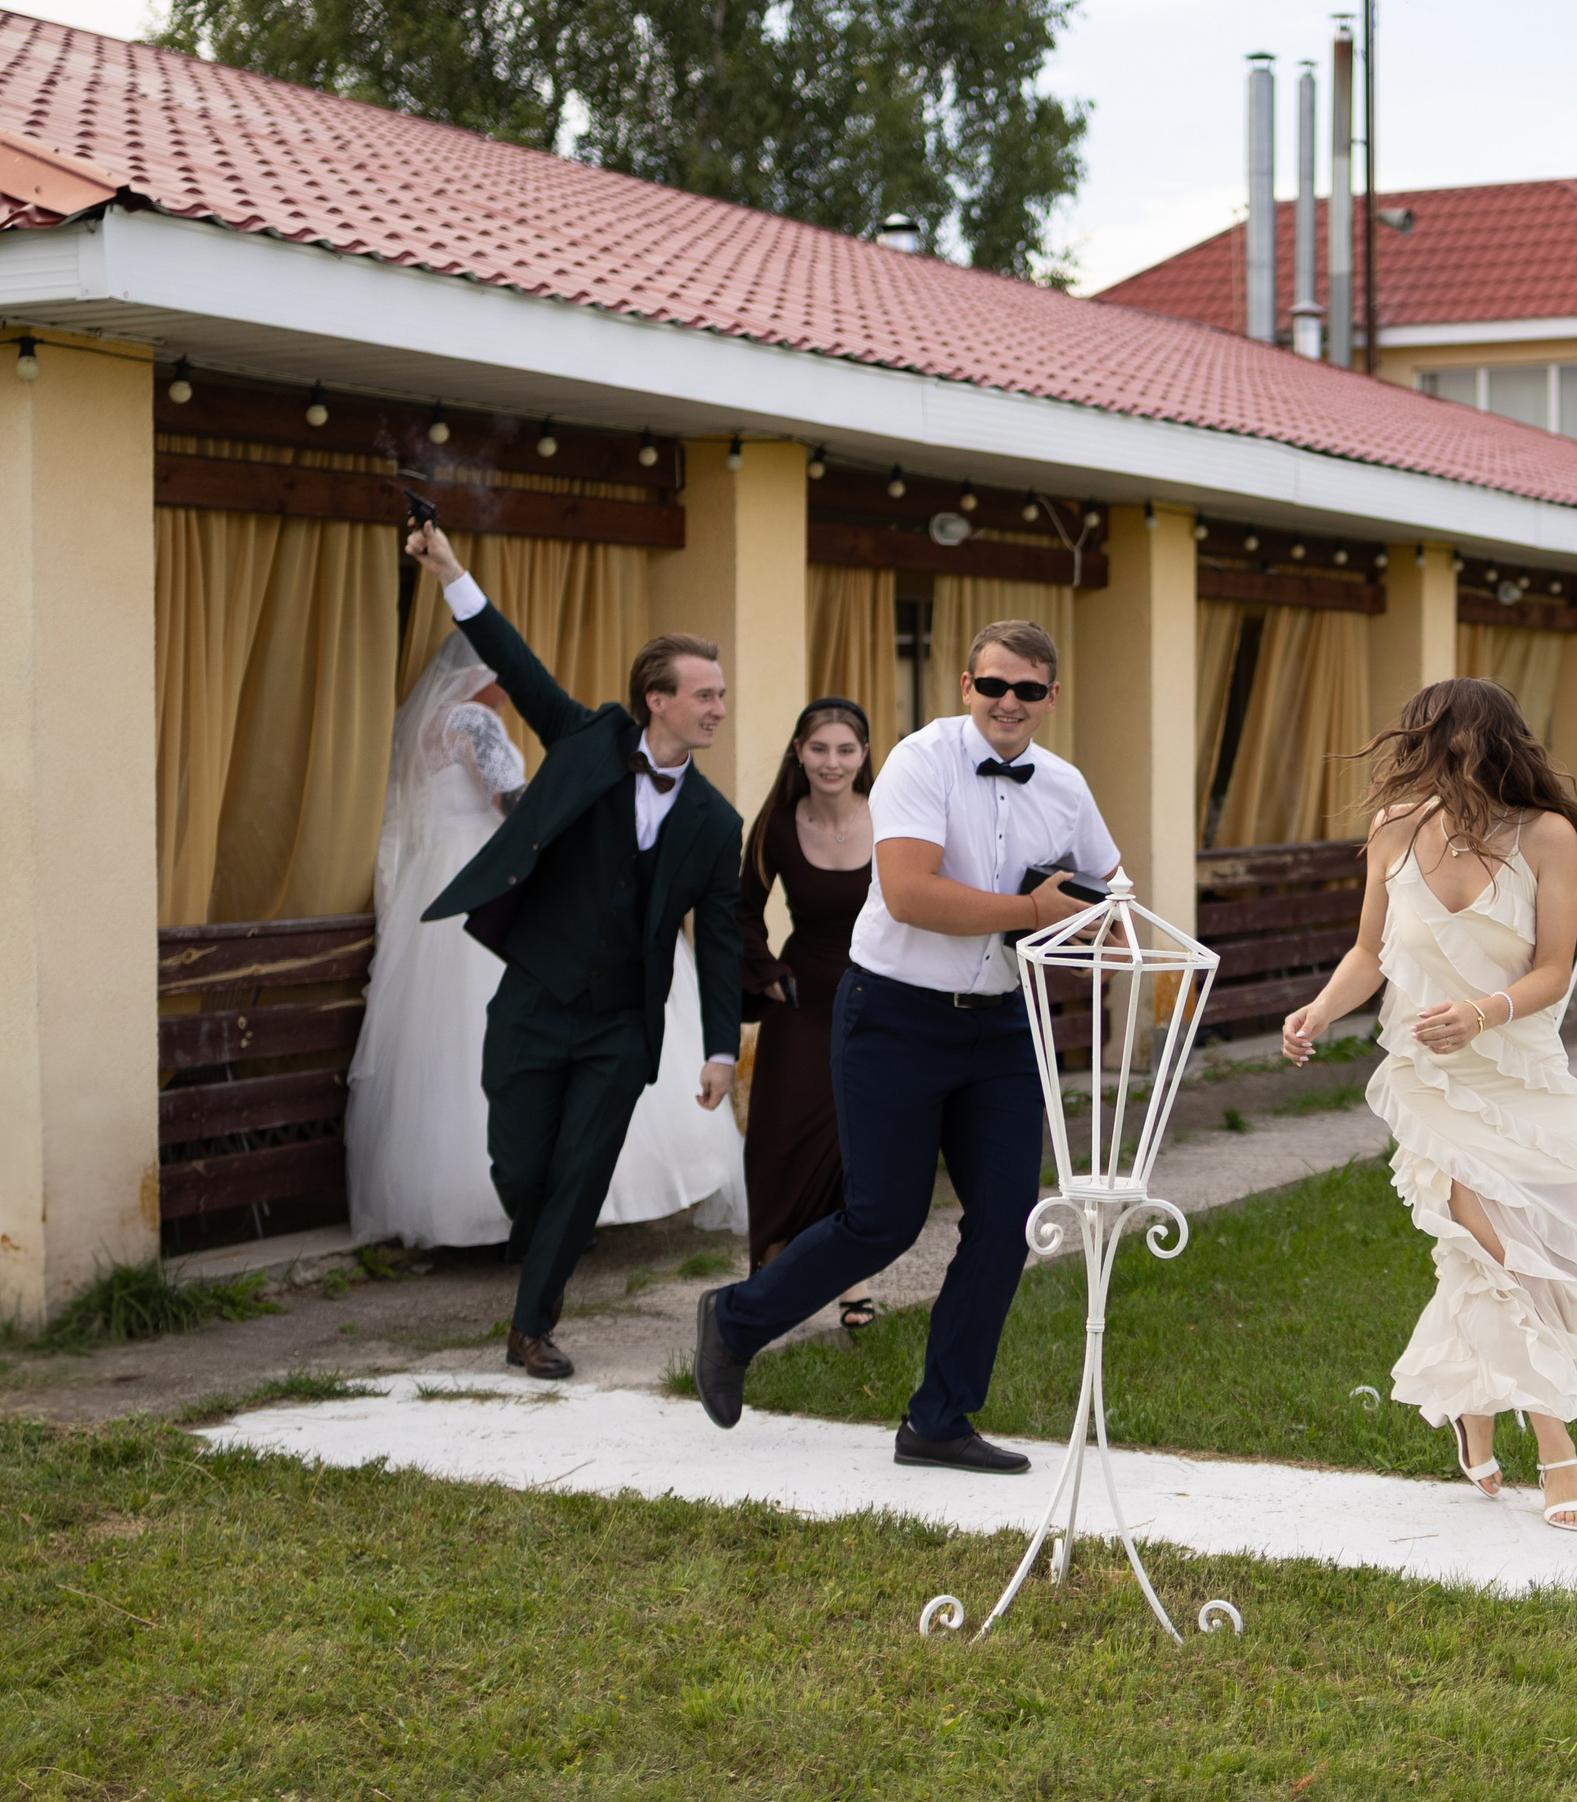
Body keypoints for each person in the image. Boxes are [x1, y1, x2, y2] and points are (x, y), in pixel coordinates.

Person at [693, 621, 1115, 1471]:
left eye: (1028, 690)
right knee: (883, 1219)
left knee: (1006, 1224)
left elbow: (1109, 883)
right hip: (893, 1012)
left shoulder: (1064, 785)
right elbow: (912, 892)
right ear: (966, 685)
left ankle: (939, 1420)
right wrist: (1038, 911)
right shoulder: (923, 760)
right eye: (993, 685)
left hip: (999, 1024)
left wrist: (1101, 924)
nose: (1009, 703)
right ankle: (736, 1320)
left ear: (1050, 699)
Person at [1279, 678, 1577, 1532]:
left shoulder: (1546, 836)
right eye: (1432, 750)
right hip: (1431, 1083)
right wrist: (1322, 1008)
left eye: (1457, 750)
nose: (1443, 768)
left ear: (1495, 748)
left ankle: (1474, 1406)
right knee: (1506, 1251)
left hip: (1521, 1075)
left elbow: (1552, 968)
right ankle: (1560, 1456)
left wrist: (1480, 1012)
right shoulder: (1395, 832)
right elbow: (1369, 952)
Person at [404, 521, 745, 1380]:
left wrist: (717, 1048)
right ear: (657, 699)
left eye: (721, 694)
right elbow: (514, 665)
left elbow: (723, 936)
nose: (717, 707)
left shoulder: (716, 824)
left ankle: (531, 1326)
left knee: (584, 1169)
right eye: (704, 694)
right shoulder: (587, 736)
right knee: (521, 1163)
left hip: (621, 1025)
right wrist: (451, 572)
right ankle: (544, 1229)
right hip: (534, 996)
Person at [345, 634, 745, 1254]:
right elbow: (515, 803)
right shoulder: (476, 721)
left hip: (441, 881)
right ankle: (574, 1204)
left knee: (447, 1052)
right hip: (505, 885)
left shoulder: (414, 727)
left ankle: (475, 1208)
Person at [737, 697, 876, 1321]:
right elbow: (739, 911)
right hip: (804, 997)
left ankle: (851, 1283)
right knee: (780, 1132)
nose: (832, 761)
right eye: (819, 748)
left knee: (859, 1142)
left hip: (879, 997)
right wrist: (767, 976)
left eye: (846, 749)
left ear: (864, 756)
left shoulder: (893, 817)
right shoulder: (775, 823)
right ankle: (770, 1266)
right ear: (799, 752)